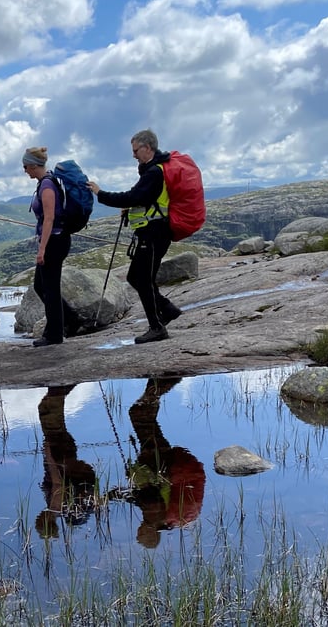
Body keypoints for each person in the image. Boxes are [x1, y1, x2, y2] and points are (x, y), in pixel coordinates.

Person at [86, 129, 183, 344]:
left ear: (147, 148)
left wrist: (100, 193)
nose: (133, 155)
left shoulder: (154, 172)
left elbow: (133, 196)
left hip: (154, 233)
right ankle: (167, 310)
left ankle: (157, 326)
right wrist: (131, 208)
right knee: (136, 277)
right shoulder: (152, 170)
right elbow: (143, 198)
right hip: (154, 232)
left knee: (142, 279)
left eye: (135, 150)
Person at [126, 377, 206, 548]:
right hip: (171, 468)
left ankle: (156, 385)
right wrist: (131, 474)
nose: (139, 529)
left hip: (185, 468)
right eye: (141, 533)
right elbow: (149, 486)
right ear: (148, 532)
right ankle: (162, 383)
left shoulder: (174, 522)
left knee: (147, 423)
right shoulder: (155, 515)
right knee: (138, 414)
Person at [24, 147, 79, 347]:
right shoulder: (48, 182)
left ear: (32, 165)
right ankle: (71, 320)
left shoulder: (47, 185)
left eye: (25, 166)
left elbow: (49, 218)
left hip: (55, 241)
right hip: (56, 239)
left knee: (50, 288)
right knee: (41, 285)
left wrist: (42, 249)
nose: (24, 171)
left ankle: (54, 334)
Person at [34, 385, 97, 539]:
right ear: (43, 521)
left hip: (67, 459)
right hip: (61, 458)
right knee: (49, 416)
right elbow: (58, 483)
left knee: (49, 413)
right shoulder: (55, 507)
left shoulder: (60, 510)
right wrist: (49, 456)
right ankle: (63, 384)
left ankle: (63, 386)